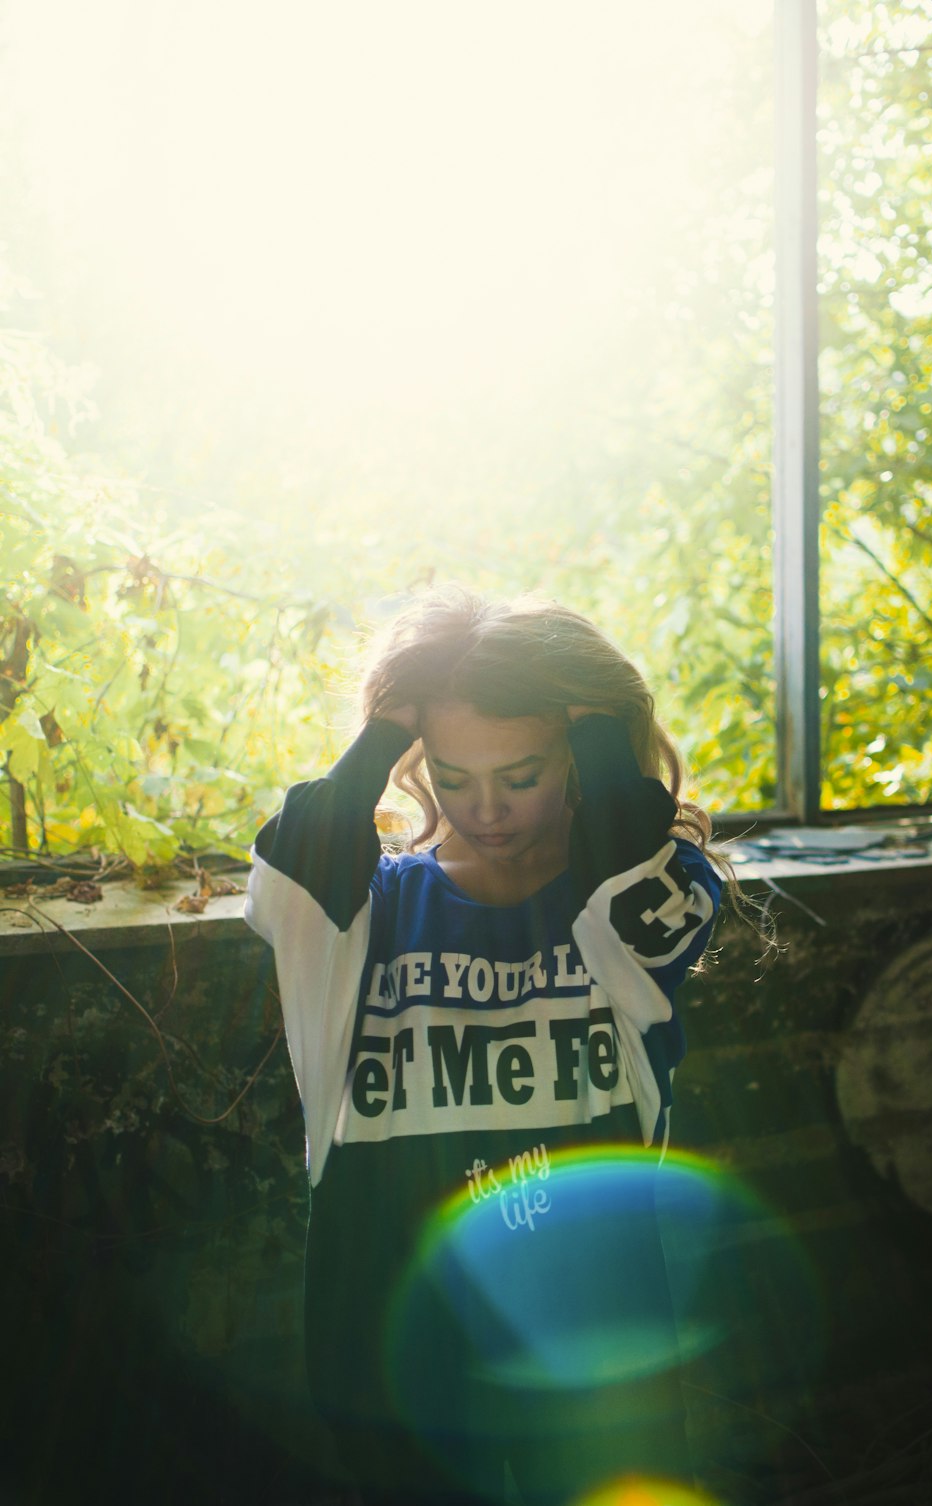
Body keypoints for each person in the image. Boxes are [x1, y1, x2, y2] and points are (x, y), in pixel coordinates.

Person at [244, 589, 725, 1506]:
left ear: (581, 754)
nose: (488, 809)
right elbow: (293, 862)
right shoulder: (359, 912)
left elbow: (635, 848)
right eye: (455, 777)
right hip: (394, 1338)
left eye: (524, 772)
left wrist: (589, 719)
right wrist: (387, 725)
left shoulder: (630, 910)